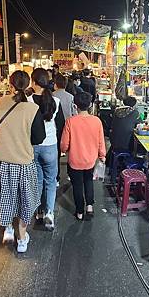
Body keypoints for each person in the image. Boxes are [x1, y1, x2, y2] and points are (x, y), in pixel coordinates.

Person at [0, 71, 46, 253]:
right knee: (24, 200)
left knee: (5, 197)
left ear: (10, 85)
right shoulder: (32, 109)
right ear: (28, 85)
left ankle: (8, 229)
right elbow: (39, 138)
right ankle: (21, 239)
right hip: (22, 160)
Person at [28, 68, 65, 230]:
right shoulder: (55, 101)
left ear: (34, 82)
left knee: (37, 181)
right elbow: (61, 124)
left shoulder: (27, 101)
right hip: (50, 145)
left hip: (32, 146)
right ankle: (50, 212)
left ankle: (39, 211)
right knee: (50, 181)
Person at [61, 92, 106, 220]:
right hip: (90, 160)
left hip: (75, 160)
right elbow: (101, 140)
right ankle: (90, 206)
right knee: (88, 181)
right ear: (90, 105)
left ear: (75, 106)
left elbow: (64, 143)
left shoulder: (70, 121)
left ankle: (79, 212)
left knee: (77, 185)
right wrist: (102, 155)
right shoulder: (96, 121)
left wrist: (64, 150)